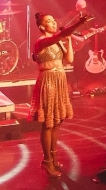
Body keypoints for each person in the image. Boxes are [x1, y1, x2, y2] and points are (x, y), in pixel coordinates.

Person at [31, 11, 88, 177]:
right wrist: (77, 24)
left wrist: (69, 40)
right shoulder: (42, 42)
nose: (54, 22)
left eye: (54, 19)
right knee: (48, 122)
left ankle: (54, 158)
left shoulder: (58, 42)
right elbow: (59, 35)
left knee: (57, 121)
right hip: (48, 81)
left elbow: (69, 59)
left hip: (60, 80)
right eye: (49, 21)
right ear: (42, 26)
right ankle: (47, 161)